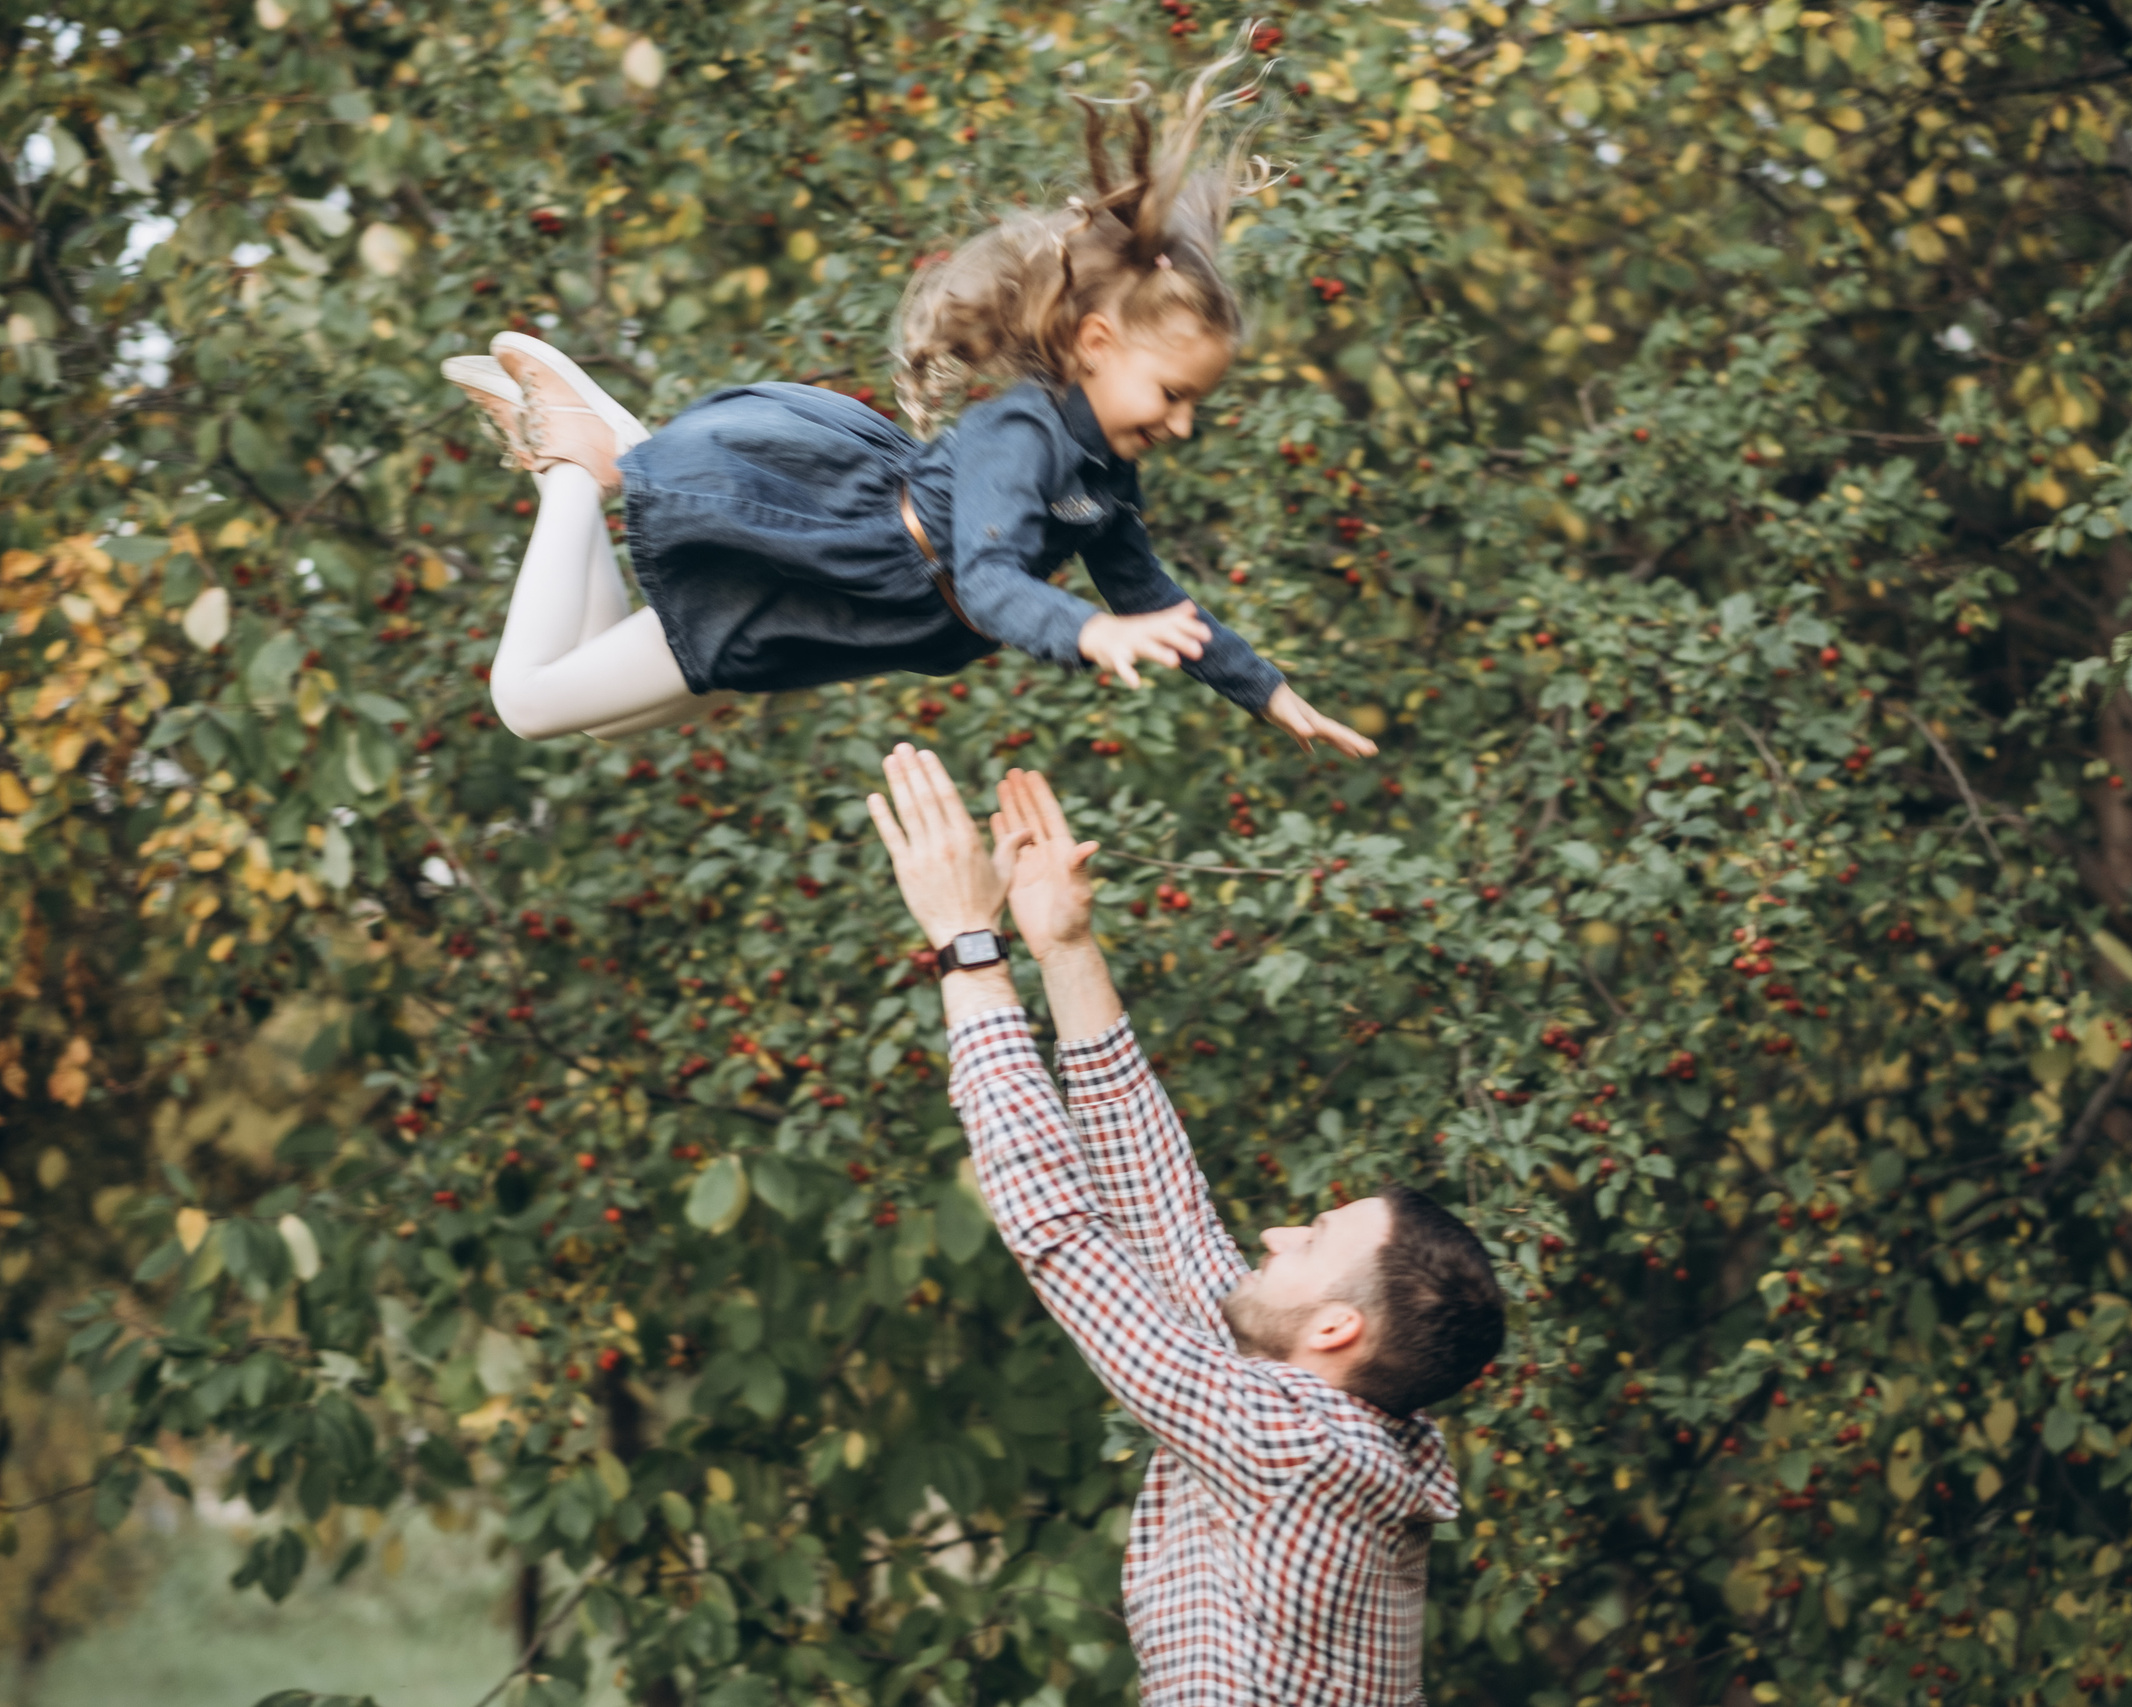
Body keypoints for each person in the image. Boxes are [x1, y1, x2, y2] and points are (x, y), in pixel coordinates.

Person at [439, 48, 1375, 758]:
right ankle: (580, 465)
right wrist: (1088, 631)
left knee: (595, 717)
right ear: (1096, 346)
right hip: (828, 562)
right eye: (1172, 393)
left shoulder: (1102, 469)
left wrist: (1265, 689)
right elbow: (994, 580)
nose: (1182, 423)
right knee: (528, 702)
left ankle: (612, 454)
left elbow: (1145, 588)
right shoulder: (1022, 432)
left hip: (854, 611)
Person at [863, 745, 1504, 1705]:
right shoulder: (1322, 1415)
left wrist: (965, 941)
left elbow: (1063, 1234)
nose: (1281, 1235)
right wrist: (1064, 949)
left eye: (1316, 1237)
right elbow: (1163, 1212)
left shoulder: (1300, 1445)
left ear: (1338, 1328)